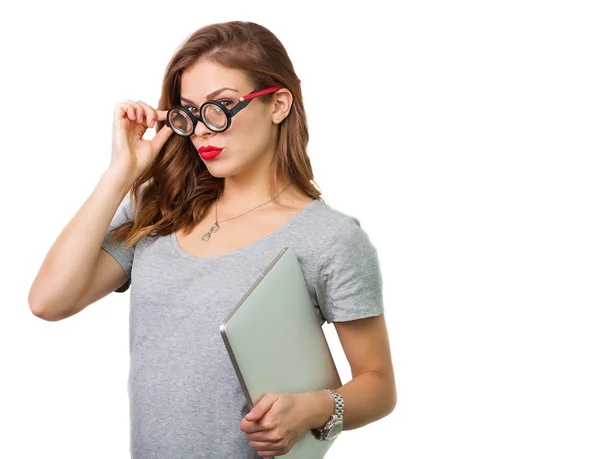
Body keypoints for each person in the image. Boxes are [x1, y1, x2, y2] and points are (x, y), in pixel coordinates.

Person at [28, 20, 396, 459]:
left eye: (221, 106)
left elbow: (377, 385)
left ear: (278, 103)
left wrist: (312, 409)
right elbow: (49, 301)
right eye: (190, 111)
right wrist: (120, 174)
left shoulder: (329, 238)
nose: (202, 129)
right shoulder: (158, 209)